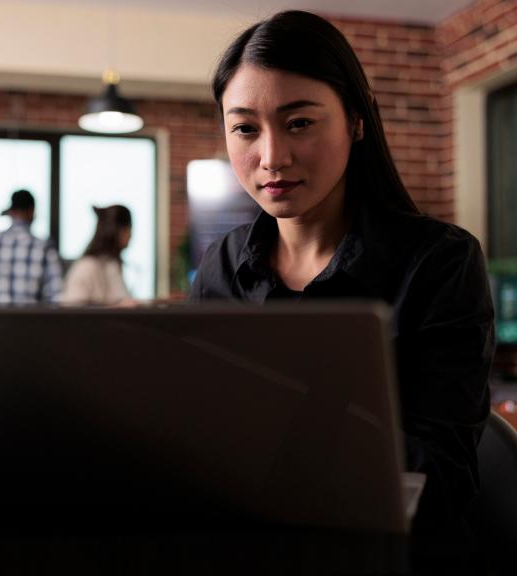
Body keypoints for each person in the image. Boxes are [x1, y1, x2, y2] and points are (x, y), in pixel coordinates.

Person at [189, 10, 494, 571]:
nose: (272, 157)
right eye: (245, 128)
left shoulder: (438, 262)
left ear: (356, 120)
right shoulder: (222, 265)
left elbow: (445, 476)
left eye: (300, 122)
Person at [62, 204, 135, 306]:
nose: (131, 235)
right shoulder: (86, 268)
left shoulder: (112, 265)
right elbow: (72, 314)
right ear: (116, 231)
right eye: (128, 228)